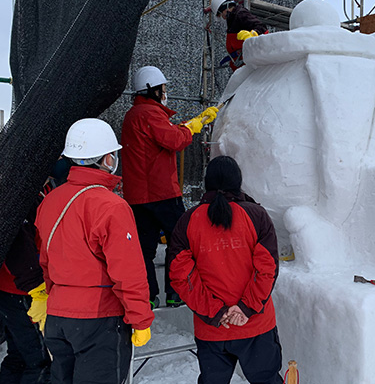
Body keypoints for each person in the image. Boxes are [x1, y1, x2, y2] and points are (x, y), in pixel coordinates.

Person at [34, 118, 154, 384]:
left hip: (58, 319)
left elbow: (45, 259)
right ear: (107, 159)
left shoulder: (51, 200)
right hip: (99, 320)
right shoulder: (111, 206)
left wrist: (51, 298)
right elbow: (128, 271)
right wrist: (141, 318)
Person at [170, 156, 283, 384]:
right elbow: (267, 269)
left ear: (207, 183)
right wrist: (245, 308)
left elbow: (180, 276)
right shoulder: (256, 215)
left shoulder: (188, 221)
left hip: (212, 330)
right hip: (255, 327)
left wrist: (216, 311)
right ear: (238, 182)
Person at [121, 65, 219, 309]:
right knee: (179, 242)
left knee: (145, 249)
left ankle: (148, 296)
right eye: (163, 89)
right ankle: (176, 293)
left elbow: (166, 133)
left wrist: (190, 123)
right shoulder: (149, 114)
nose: (165, 93)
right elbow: (174, 139)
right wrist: (192, 127)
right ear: (152, 90)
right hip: (161, 193)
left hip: (138, 197)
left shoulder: (136, 115)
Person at [0, 199, 50, 384]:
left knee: (19, 357)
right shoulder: (21, 194)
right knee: (41, 361)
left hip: (12, 289)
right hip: (24, 291)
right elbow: (18, 247)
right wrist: (36, 288)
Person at [210, 0, 268, 71]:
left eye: (221, 15)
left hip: (252, 65)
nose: (223, 18)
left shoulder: (240, 14)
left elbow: (261, 27)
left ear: (225, 8)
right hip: (243, 65)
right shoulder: (232, 19)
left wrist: (253, 34)